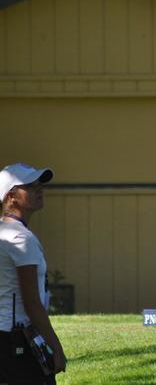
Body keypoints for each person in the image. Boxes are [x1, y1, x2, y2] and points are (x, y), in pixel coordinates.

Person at [0, 163, 67, 384]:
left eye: (39, 184)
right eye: (30, 186)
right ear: (11, 196)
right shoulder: (21, 239)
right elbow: (31, 303)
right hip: (17, 339)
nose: (39, 190)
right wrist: (56, 347)